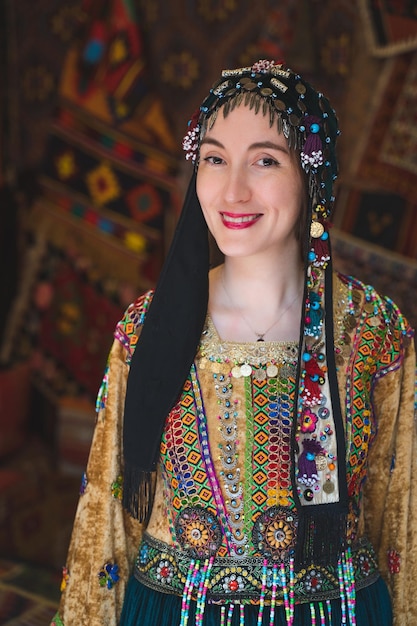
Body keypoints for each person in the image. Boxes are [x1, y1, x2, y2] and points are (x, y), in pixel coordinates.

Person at [51, 60, 416, 626]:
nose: (233, 190)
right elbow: (104, 528)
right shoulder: (148, 328)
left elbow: (404, 527)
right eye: (215, 159)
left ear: (311, 176)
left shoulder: (374, 331)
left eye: (265, 160)